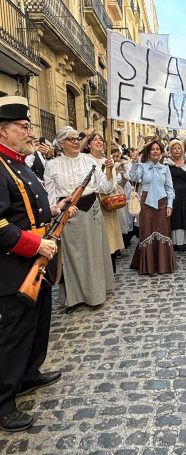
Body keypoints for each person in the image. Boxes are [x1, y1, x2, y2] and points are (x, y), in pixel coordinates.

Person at [0, 96, 72, 431]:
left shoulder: (19, 164)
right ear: (3, 130)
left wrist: (55, 210)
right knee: (13, 335)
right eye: (23, 127)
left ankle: (28, 373)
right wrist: (35, 244)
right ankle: (4, 403)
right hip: (14, 266)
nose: (30, 132)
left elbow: (27, 210)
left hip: (37, 261)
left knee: (38, 324)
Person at [44, 126, 115, 314]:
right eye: (71, 139)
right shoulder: (52, 165)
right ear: (61, 143)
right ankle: (73, 298)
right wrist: (57, 211)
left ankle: (95, 294)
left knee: (93, 254)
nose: (76, 142)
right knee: (72, 257)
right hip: (69, 213)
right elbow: (50, 195)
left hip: (92, 210)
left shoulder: (89, 160)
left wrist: (109, 170)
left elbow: (106, 187)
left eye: (77, 138)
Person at [129, 139, 176, 274]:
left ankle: (163, 265)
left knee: (163, 232)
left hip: (162, 203)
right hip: (146, 203)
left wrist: (170, 205)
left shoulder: (165, 168)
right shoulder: (142, 166)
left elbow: (169, 188)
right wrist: (134, 162)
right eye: (152, 149)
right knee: (147, 231)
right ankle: (148, 265)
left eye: (158, 149)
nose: (155, 151)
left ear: (161, 152)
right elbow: (133, 177)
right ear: (148, 153)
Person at [88, 135, 124, 271]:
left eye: (101, 140)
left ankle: (109, 270)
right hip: (91, 201)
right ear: (89, 144)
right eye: (95, 140)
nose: (99, 142)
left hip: (106, 202)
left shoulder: (108, 161)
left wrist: (109, 171)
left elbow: (111, 185)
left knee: (109, 237)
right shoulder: (85, 160)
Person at [164, 139, 186, 251]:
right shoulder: (167, 164)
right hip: (173, 194)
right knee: (175, 216)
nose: (177, 150)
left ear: (182, 150)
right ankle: (176, 242)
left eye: (179, 148)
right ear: (170, 151)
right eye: (174, 148)